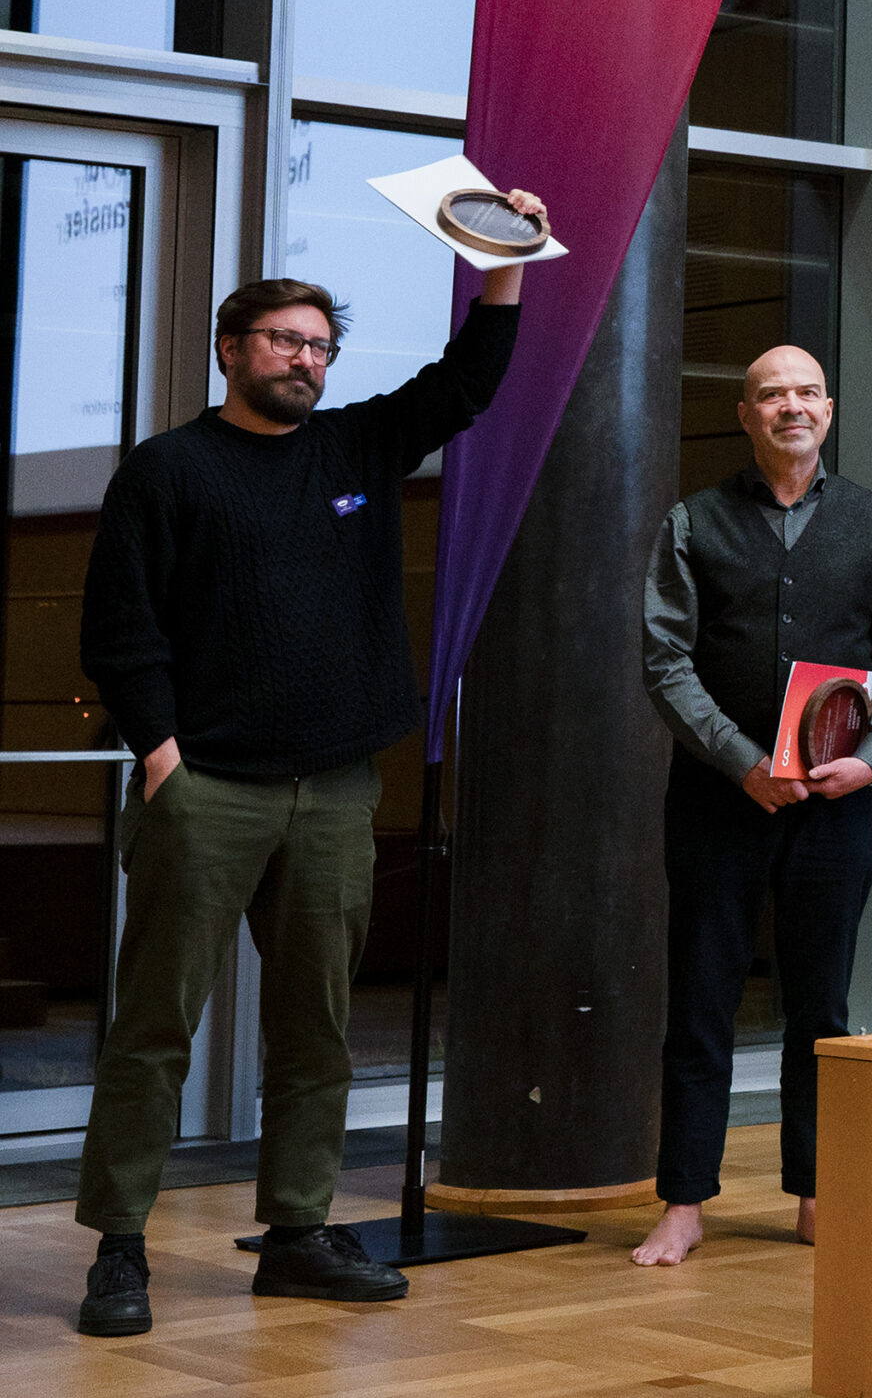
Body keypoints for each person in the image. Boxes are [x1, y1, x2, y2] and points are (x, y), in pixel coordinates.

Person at [73, 199, 540, 1337]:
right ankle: (120, 1247)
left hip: (335, 788)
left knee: (317, 1026)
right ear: (231, 350)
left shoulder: (356, 447)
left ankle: (297, 1235)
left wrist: (506, 264)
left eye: (321, 346)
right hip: (207, 787)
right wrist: (163, 756)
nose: (305, 360)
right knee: (154, 1027)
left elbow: (467, 384)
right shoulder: (167, 470)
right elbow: (120, 631)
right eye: (285, 340)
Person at [633, 344, 872, 1266]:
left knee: (822, 1008)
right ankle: (684, 1201)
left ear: (828, 411)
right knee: (701, 1001)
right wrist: (743, 760)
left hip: (838, 805)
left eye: (806, 392)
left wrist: (871, 760)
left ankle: (817, 1191)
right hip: (719, 800)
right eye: (771, 394)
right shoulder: (692, 522)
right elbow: (665, 661)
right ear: (746, 415)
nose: (791, 406)